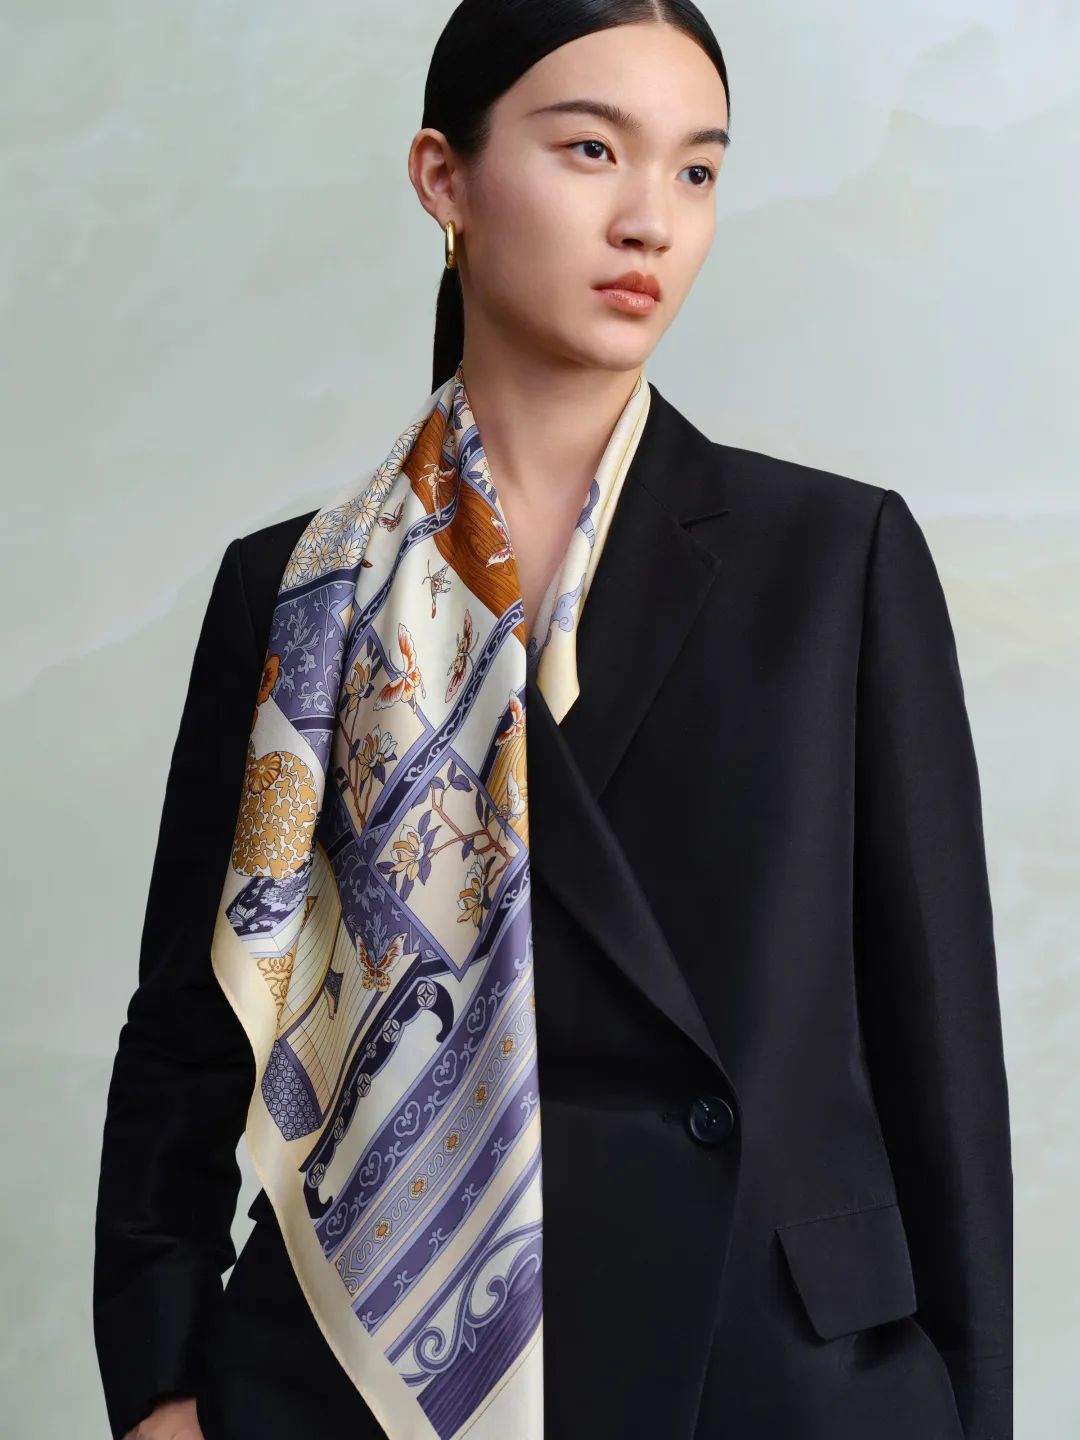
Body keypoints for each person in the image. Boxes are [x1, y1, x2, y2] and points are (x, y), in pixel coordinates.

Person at [93, 3, 1013, 1438]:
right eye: (592, 149)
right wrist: (160, 1386)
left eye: (696, 169)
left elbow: (939, 1060)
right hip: (350, 1379)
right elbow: (193, 1028)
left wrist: (972, 1405)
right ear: (443, 180)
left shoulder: (837, 561)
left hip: (767, 1380)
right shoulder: (302, 588)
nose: (651, 218)